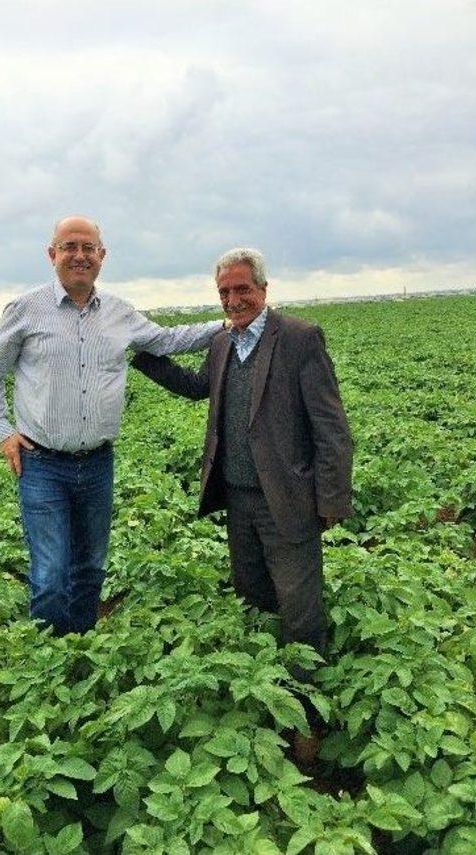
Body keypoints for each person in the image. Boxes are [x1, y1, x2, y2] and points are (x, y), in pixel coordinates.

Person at [132, 247, 353, 760]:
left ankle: (309, 721)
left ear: (263, 290)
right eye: (225, 293)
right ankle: (266, 700)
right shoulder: (221, 342)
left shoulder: (298, 339)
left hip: (288, 502)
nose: (233, 300)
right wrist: (141, 355)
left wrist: (331, 499)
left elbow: (331, 426)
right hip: (238, 500)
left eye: (242, 290)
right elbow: (195, 388)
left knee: (302, 613)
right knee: (253, 598)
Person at [0, 216, 223, 636]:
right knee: (51, 575)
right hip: (42, 464)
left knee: (90, 567)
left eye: (89, 248)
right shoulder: (25, 309)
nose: (80, 256)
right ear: (52, 254)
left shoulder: (120, 314)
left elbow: (167, 340)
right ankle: (49, 660)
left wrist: (228, 324)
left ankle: (82, 645)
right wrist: (2, 432)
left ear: (102, 258)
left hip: (97, 463)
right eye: (69, 247)